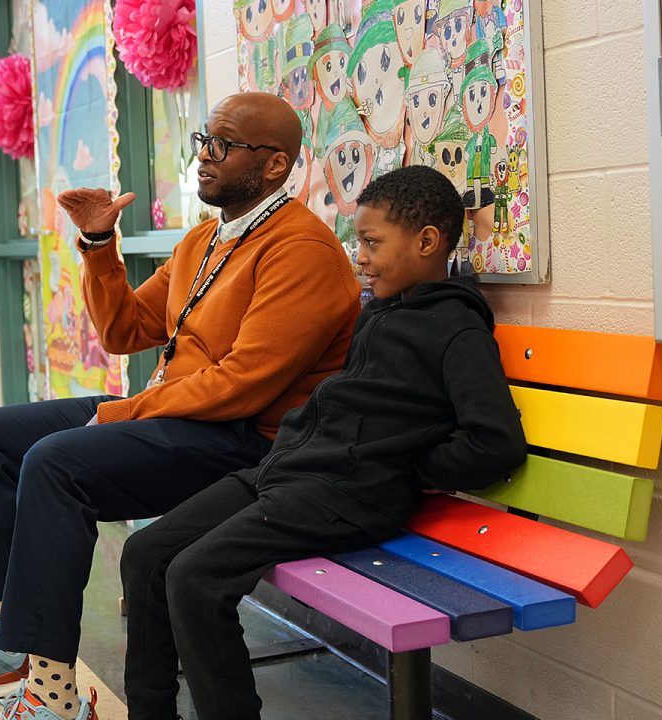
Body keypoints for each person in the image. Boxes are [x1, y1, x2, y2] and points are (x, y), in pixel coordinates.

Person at [0, 92, 362, 720]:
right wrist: (98, 242)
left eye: (222, 145)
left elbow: (244, 385)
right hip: (181, 417)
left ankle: (53, 695)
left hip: (247, 443)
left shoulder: (301, 250)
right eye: (203, 140)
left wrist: (122, 413)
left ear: (273, 165)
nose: (204, 156)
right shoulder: (206, 239)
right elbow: (125, 329)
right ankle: (0, 645)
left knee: (57, 462)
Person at [119, 165, 528, 720]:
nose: (359, 255)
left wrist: (405, 464)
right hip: (293, 472)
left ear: (427, 242)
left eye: (371, 242)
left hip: (349, 494)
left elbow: (495, 443)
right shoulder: (381, 311)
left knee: (196, 579)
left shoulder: (456, 330)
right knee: (146, 553)